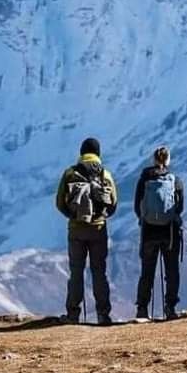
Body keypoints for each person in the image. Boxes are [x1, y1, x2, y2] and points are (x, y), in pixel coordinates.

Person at [55, 137, 118, 325]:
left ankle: (73, 314)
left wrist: (74, 217)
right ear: (98, 153)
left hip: (76, 231)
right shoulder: (105, 174)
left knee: (76, 272)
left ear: (81, 153)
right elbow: (113, 202)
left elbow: (59, 202)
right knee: (99, 272)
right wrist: (102, 216)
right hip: (98, 229)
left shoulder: (70, 173)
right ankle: (103, 314)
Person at [134, 145, 184, 321]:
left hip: (149, 232)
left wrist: (146, 219)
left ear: (153, 159)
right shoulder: (175, 180)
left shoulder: (144, 180)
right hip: (169, 233)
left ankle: (142, 309)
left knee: (147, 271)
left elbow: (136, 206)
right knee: (171, 270)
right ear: (168, 160)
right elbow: (180, 207)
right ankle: (170, 308)